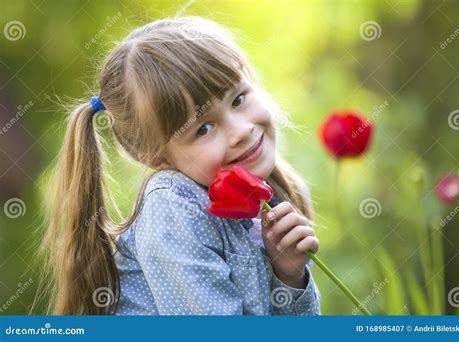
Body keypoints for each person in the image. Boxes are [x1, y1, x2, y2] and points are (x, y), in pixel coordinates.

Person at [41, 16, 321, 315]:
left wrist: (289, 277)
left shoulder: (275, 195)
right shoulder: (173, 207)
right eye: (203, 129)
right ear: (157, 158)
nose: (240, 131)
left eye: (238, 99)